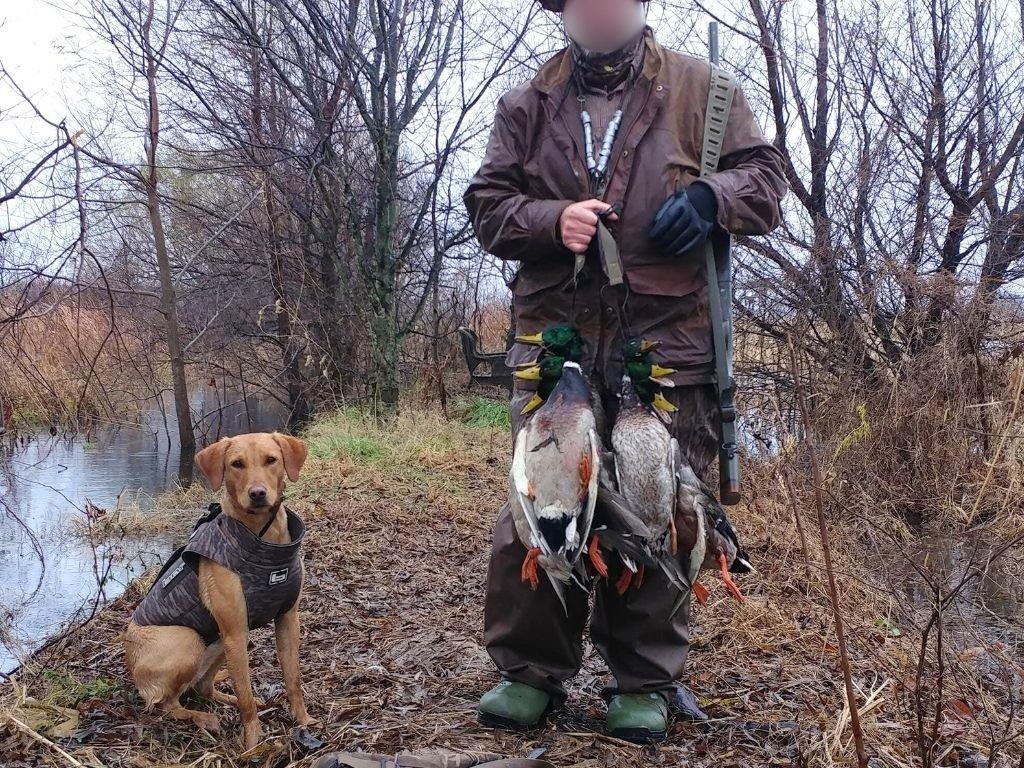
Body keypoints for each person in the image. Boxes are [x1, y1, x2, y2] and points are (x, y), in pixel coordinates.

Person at [463, 0, 787, 743]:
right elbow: (486, 205)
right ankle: (529, 673)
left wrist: (712, 197)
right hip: (556, 343)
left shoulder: (707, 92)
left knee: (656, 510)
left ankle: (644, 681)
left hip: (668, 348)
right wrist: (551, 221)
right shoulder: (525, 104)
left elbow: (766, 181)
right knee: (539, 508)